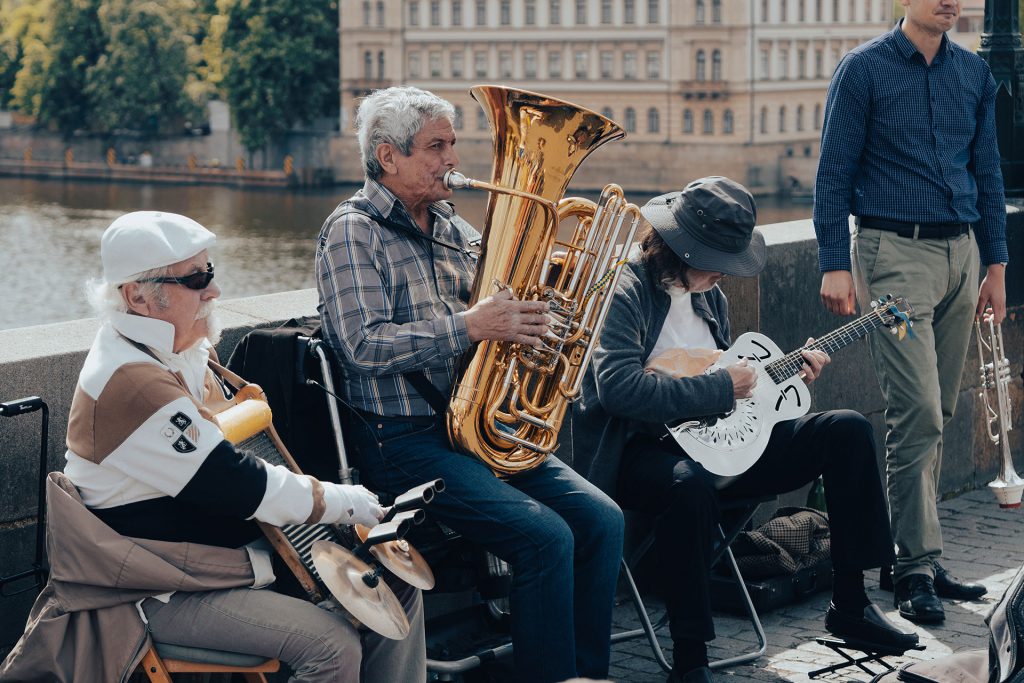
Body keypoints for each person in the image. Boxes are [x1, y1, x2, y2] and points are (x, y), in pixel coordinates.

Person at [315, 85, 624, 683]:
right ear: (388, 157)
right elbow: (361, 346)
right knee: (544, 537)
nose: (452, 160)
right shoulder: (351, 233)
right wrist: (471, 326)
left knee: (602, 520)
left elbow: (503, 302)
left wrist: (549, 306)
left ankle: (587, 672)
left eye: (452, 144)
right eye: (436, 148)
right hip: (400, 440)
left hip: (474, 425)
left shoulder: (452, 225)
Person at [564, 177, 918, 683]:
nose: (726, 275)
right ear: (679, 247)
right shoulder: (624, 291)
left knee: (847, 429)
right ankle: (691, 656)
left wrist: (784, 379)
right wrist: (721, 390)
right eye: (718, 261)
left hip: (720, 445)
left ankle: (852, 604)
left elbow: (733, 387)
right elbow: (619, 389)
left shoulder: (711, 298)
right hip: (641, 451)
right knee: (688, 485)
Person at [55, 211, 425, 682]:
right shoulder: (130, 381)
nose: (213, 290)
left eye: (210, 272)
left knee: (397, 585)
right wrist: (344, 502)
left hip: (216, 562)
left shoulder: (173, 350)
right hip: (154, 590)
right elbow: (235, 482)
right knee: (331, 646)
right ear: (138, 297)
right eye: (195, 279)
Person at [814, 0, 1006, 623]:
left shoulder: (974, 75)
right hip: (891, 263)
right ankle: (915, 565)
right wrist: (834, 261)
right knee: (916, 405)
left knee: (940, 407)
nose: (950, 0)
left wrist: (996, 265)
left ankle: (913, 557)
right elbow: (833, 173)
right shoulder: (862, 69)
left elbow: (989, 170)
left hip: (961, 257)